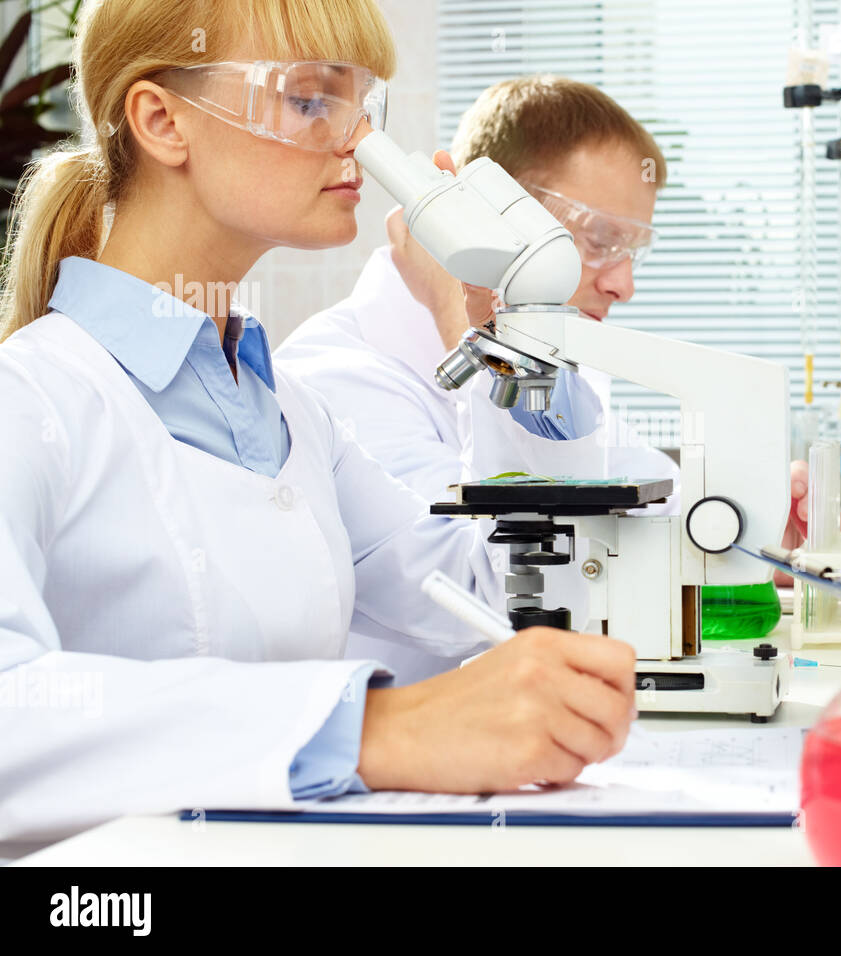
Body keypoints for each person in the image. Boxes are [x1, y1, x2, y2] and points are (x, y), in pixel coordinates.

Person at [0, 0, 636, 855]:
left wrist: (507, 328)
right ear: (161, 120)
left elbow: (487, 591)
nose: (359, 144)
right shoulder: (32, 397)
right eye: (309, 99)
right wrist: (378, 730)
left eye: (361, 104)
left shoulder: (292, 412)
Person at [276, 75, 810, 681]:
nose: (623, 285)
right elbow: (496, 599)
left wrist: (762, 517)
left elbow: (658, 515)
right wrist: (467, 315)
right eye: (603, 240)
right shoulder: (333, 379)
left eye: (635, 251)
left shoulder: (555, 370)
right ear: (485, 211)